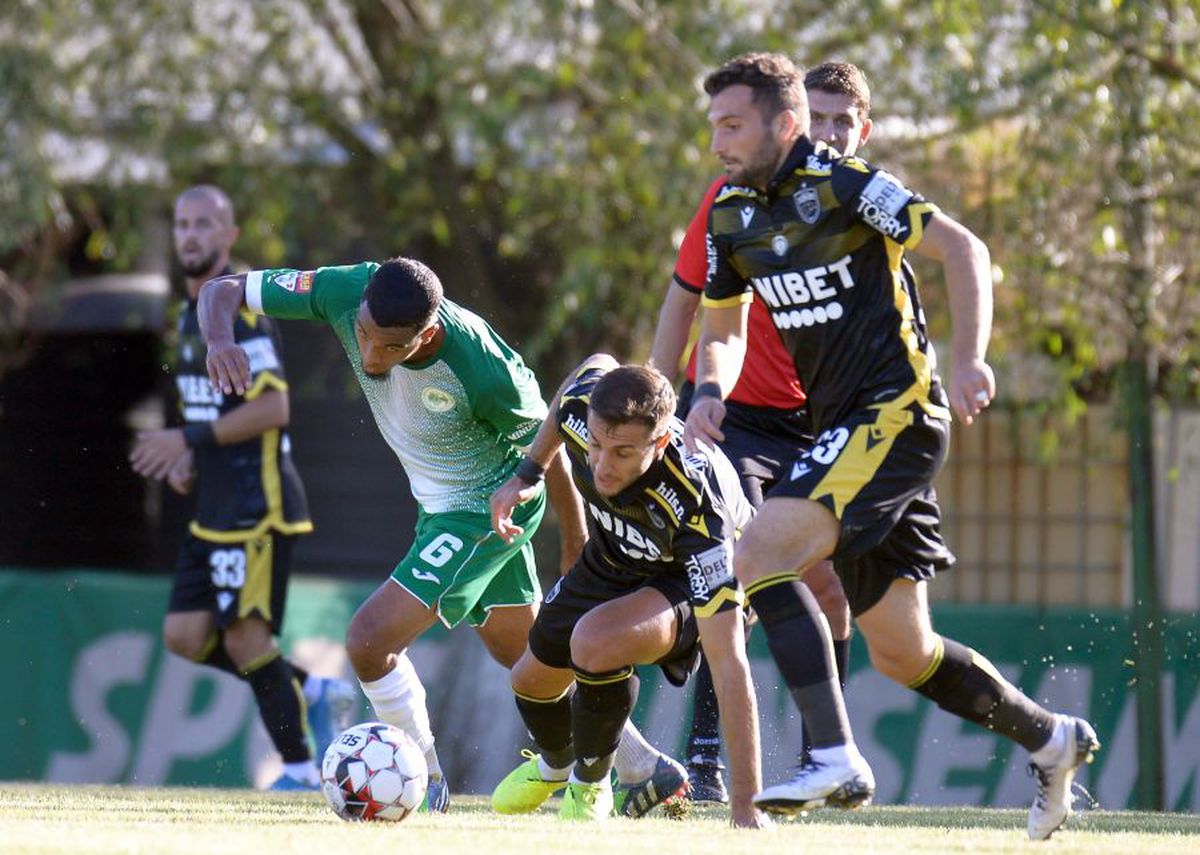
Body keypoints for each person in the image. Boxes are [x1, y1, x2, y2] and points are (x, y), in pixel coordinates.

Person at [687, 53, 1099, 841]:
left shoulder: (848, 187)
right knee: (906, 653)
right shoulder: (731, 215)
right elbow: (723, 329)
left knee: (758, 552)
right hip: (843, 433)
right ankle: (1052, 737)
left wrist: (971, 358)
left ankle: (833, 754)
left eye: (732, 125)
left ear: (783, 123)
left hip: (896, 413)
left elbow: (966, 250)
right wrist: (710, 387)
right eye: (714, 127)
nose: (718, 143)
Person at [199, 256, 677, 813]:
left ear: (426, 335)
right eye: (363, 335)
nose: (371, 357)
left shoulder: (484, 369)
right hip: (437, 508)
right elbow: (222, 290)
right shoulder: (345, 291)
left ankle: (425, 784)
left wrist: (575, 539)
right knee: (524, 656)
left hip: (486, 509)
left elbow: (557, 442)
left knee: (369, 642)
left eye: (390, 347)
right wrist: (220, 342)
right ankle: (644, 767)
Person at [649, 61, 877, 804]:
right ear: (793, 122)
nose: (831, 132)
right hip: (733, 417)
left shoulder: (866, 207)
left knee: (832, 590)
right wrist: (661, 401)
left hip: (825, 423)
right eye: (820, 117)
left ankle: (827, 759)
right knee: (740, 566)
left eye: (845, 121)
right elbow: (687, 304)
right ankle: (704, 754)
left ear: (864, 131)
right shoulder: (734, 201)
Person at [130, 185, 355, 791]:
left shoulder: (240, 311)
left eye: (204, 224)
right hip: (213, 506)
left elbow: (274, 408)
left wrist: (188, 440)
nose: (190, 235)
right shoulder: (186, 319)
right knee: (183, 636)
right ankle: (315, 690)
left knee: (246, 639)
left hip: (258, 505)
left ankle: (299, 771)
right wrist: (189, 457)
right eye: (182, 224)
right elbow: (209, 410)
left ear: (229, 235)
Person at [488, 357, 764, 827]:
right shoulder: (584, 412)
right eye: (596, 446)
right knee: (530, 682)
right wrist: (528, 473)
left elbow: (730, 663)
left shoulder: (697, 502)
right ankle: (560, 765)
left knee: (594, 642)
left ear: (660, 442)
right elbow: (589, 371)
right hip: (614, 554)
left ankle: (590, 787)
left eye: (622, 453)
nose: (601, 465)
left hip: (686, 576)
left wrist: (746, 807)